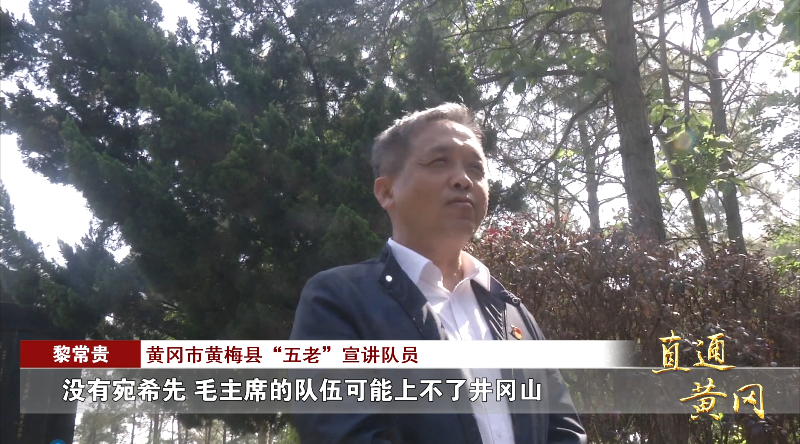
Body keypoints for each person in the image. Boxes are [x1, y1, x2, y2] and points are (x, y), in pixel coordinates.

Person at [289, 103, 587, 444]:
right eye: (439, 162)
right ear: (386, 191)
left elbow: (564, 431)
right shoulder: (337, 299)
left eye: (476, 168)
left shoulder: (512, 313)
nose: (464, 179)